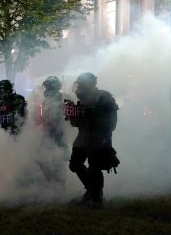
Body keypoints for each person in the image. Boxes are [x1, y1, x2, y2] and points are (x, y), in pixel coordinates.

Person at [68, 72, 119, 208]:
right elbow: (76, 123)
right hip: (83, 137)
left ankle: (96, 197)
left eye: (82, 85)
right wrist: (73, 114)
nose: (79, 89)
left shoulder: (104, 97)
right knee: (74, 164)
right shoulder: (83, 101)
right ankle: (91, 189)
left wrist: (96, 116)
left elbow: (112, 122)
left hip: (99, 137)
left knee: (94, 167)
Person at [38, 76, 69, 184]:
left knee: (58, 161)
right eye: (46, 87)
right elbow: (43, 118)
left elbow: (71, 118)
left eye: (49, 87)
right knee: (40, 159)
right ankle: (54, 182)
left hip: (59, 135)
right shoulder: (45, 101)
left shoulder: (64, 98)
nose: (47, 90)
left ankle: (60, 185)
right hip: (47, 134)